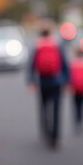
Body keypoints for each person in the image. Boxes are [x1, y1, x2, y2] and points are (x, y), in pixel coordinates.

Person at [28, 19, 69, 149]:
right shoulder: (58, 43)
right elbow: (64, 63)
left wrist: (31, 80)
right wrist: (67, 80)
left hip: (42, 80)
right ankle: (55, 137)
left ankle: (45, 132)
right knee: (57, 110)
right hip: (56, 81)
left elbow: (31, 64)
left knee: (44, 107)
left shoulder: (37, 44)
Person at [69, 48, 83, 132]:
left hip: (75, 88)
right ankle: (82, 120)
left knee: (76, 105)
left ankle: (77, 120)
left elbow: (70, 76)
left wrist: (69, 86)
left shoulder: (73, 62)